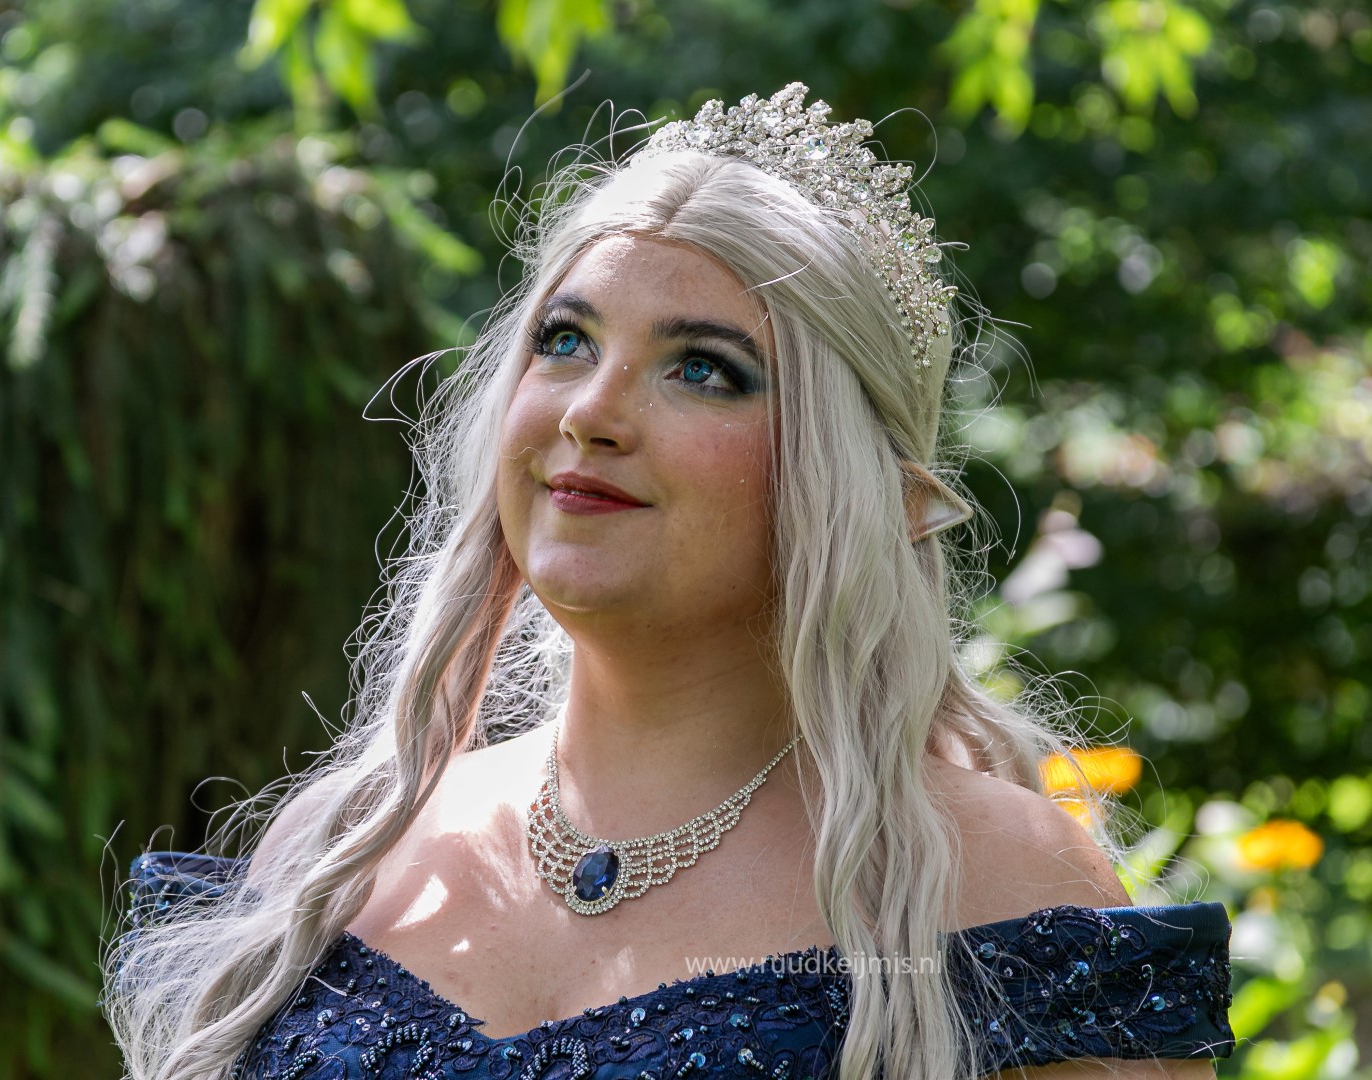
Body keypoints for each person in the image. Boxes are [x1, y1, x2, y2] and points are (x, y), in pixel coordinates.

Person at [101, 84, 1234, 1079]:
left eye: (702, 368)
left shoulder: (996, 888)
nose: (591, 412)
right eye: (565, 341)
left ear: (851, 480)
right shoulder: (336, 858)